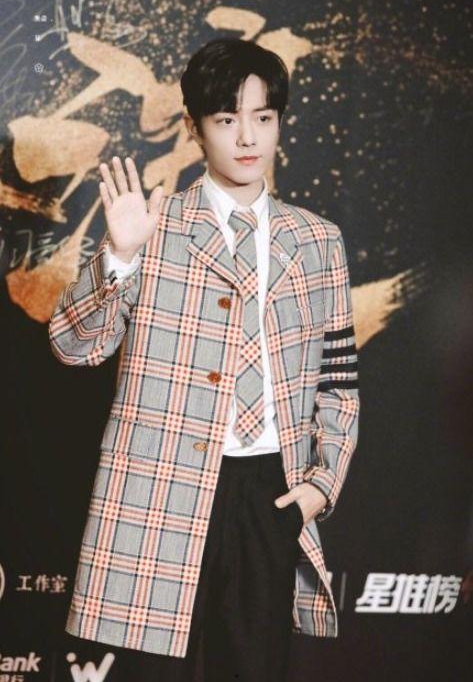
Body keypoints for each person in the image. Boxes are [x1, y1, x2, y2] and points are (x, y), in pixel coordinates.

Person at [49, 36, 359, 682]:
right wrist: (119, 256)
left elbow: (338, 383)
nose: (247, 137)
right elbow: (75, 347)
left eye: (263, 117)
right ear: (193, 128)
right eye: (226, 119)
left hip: (270, 494)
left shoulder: (318, 242)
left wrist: (317, 488)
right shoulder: (152, 224)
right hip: (162, 493)